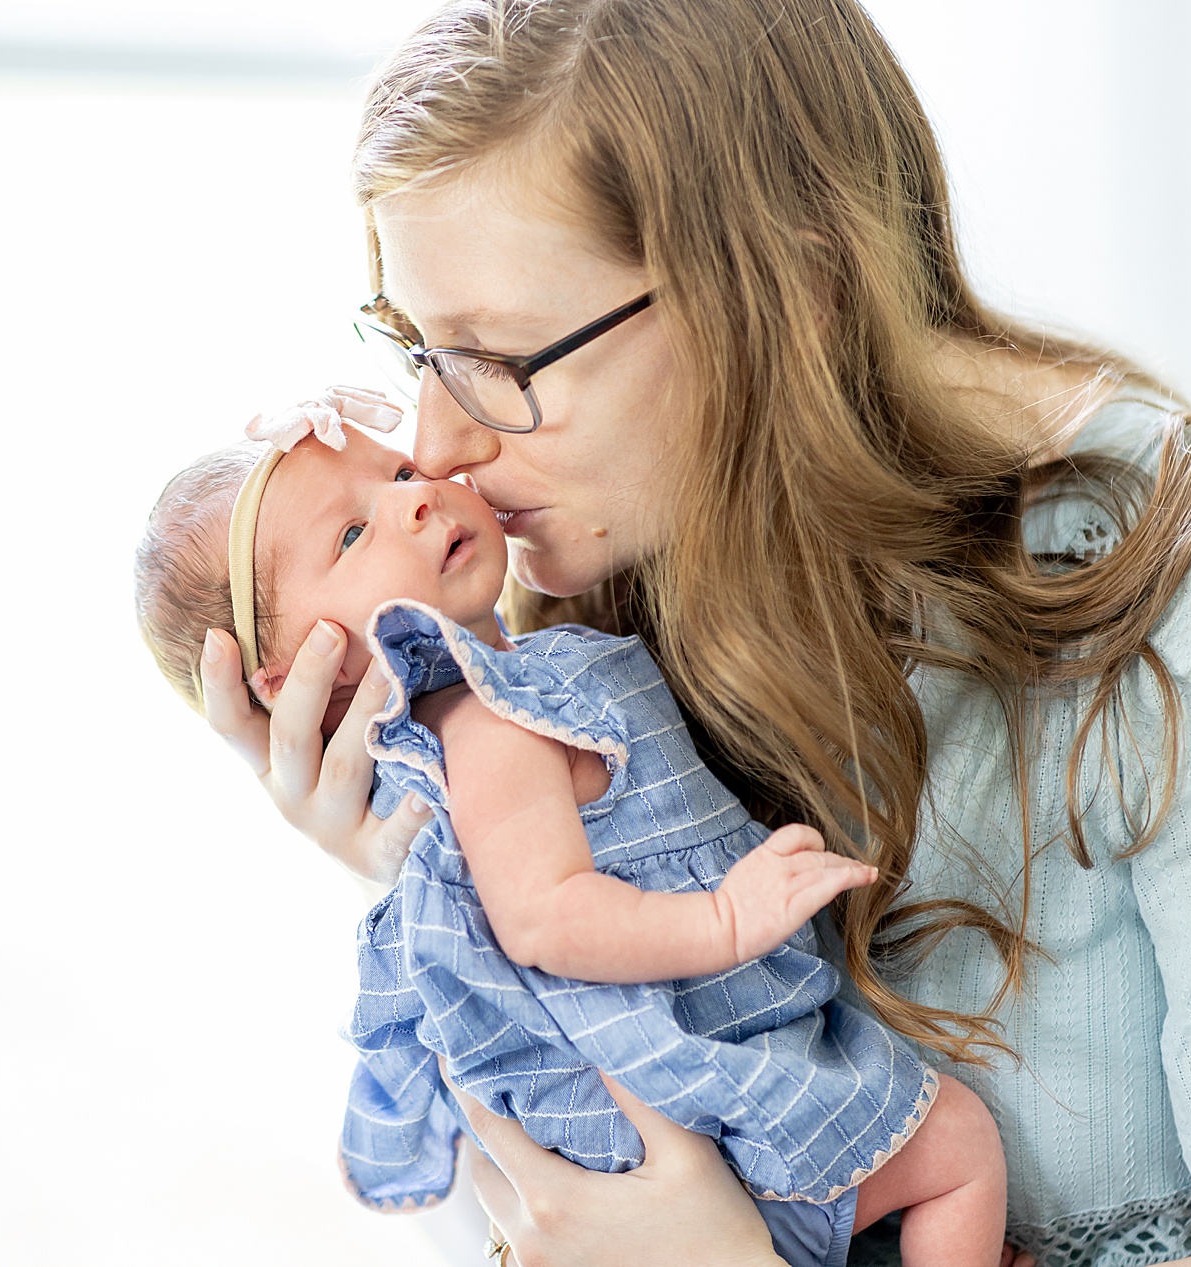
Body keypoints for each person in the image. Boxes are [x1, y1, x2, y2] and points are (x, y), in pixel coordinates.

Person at [193, 2, 1191, 1264]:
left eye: (501, 359)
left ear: (791, 283)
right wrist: (433, 877)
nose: (434, 442)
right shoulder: (601, 600)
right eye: (415, 346)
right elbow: (561, 1217)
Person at [133, 397, 1009, 1267]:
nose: (419, 496)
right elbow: (543, 917)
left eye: (398, 472)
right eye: (353, 535)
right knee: (957, 1149)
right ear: (310, 676)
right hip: (702, 1106)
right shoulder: (491, 725)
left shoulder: (521, 688)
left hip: (691, 1116)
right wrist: (726, 920)